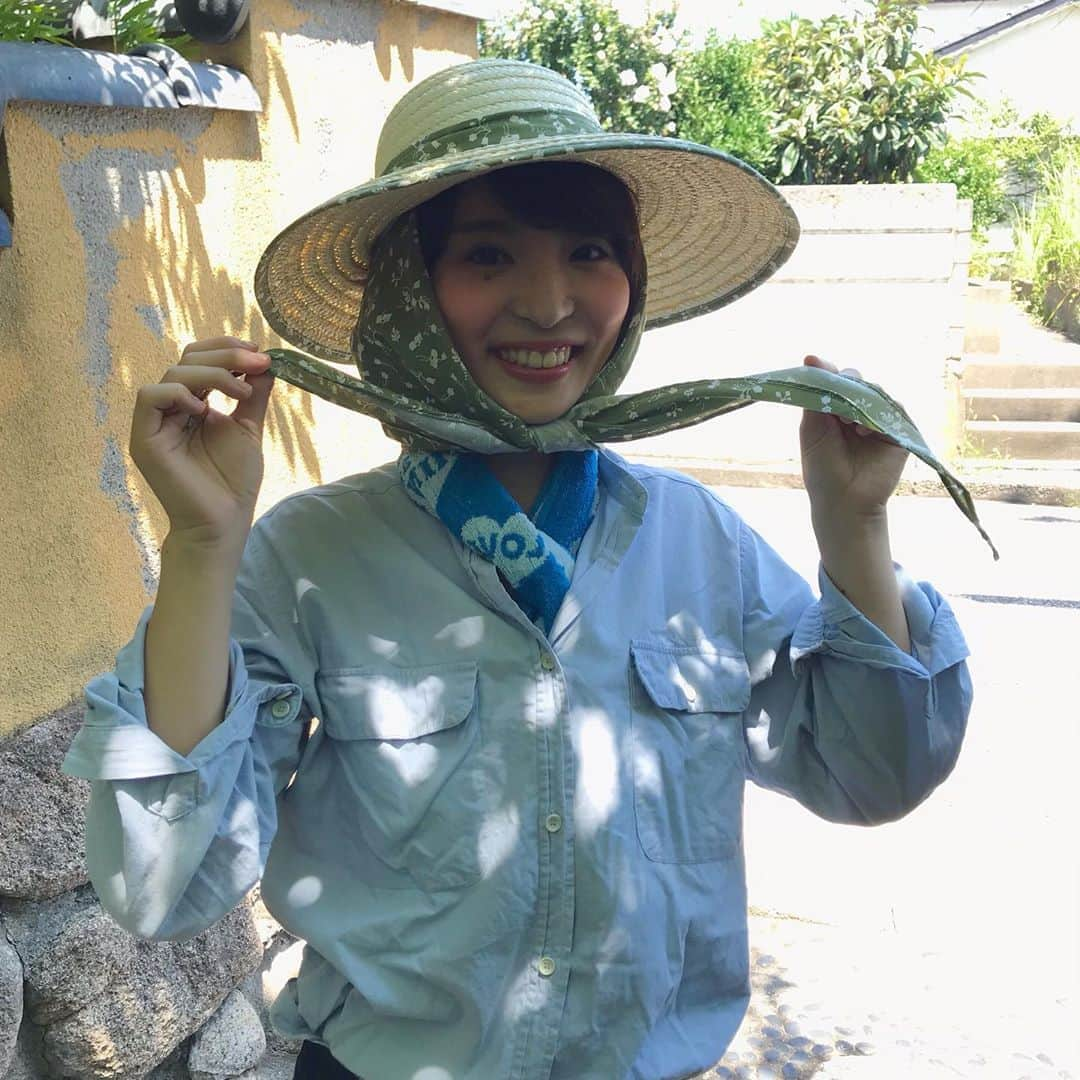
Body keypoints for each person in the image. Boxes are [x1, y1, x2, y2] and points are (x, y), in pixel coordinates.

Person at [64, 59, 972, 1080]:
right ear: (408, 289)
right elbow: (163, 886)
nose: (548, 305)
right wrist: (199, 546)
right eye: (487, 256)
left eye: (588, 251)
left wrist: (855, 530)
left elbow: (873, 772)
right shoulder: (310, 557)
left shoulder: (700, 543)